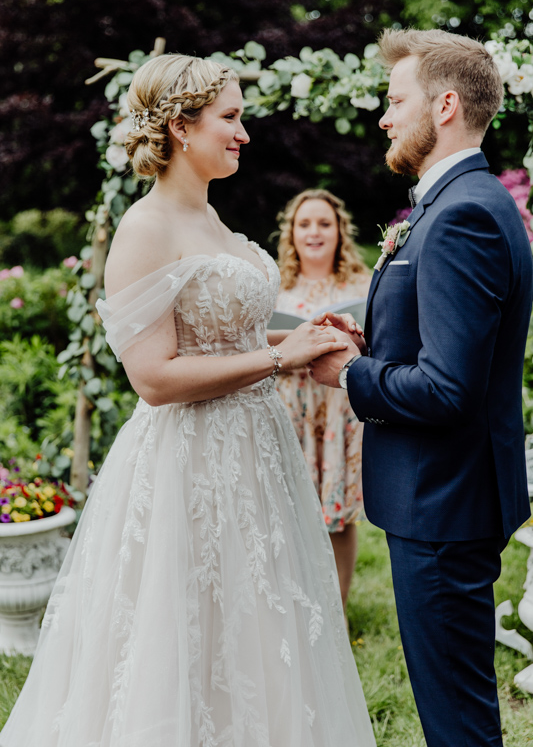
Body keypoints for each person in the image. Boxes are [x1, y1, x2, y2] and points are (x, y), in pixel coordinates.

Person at [0, 54, 376, 747]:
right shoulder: (144, 229)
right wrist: (276, 358)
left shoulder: (211, 219)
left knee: (261, 621)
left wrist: (302, 335)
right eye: (230, 118)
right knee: (188, 632)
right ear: (180, 126)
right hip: (189, 462)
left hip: (255, 452)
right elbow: (154, 377)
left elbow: (216, 333)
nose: (243, 135)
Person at [309, 28, 533, 747]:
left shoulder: (462, 214)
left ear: (441, 105)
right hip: (444, 499)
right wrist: (372, 345)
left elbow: (446, 390)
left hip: (443, 505)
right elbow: (450, 353)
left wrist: (347, 373)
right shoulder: (455, 203)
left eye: (392, 99)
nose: (383, 116)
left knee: (457, 725)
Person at [274, 189, 371, 613]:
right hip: (290, 407)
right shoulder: (273, 289)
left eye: (324, 223)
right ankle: (294, 612)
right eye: (305, 224)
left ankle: (338, 611)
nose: (314, 232)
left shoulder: (363, 284)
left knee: (337, 513)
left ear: (339, 232)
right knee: (288, 513)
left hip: (340, 410)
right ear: (291, 234)